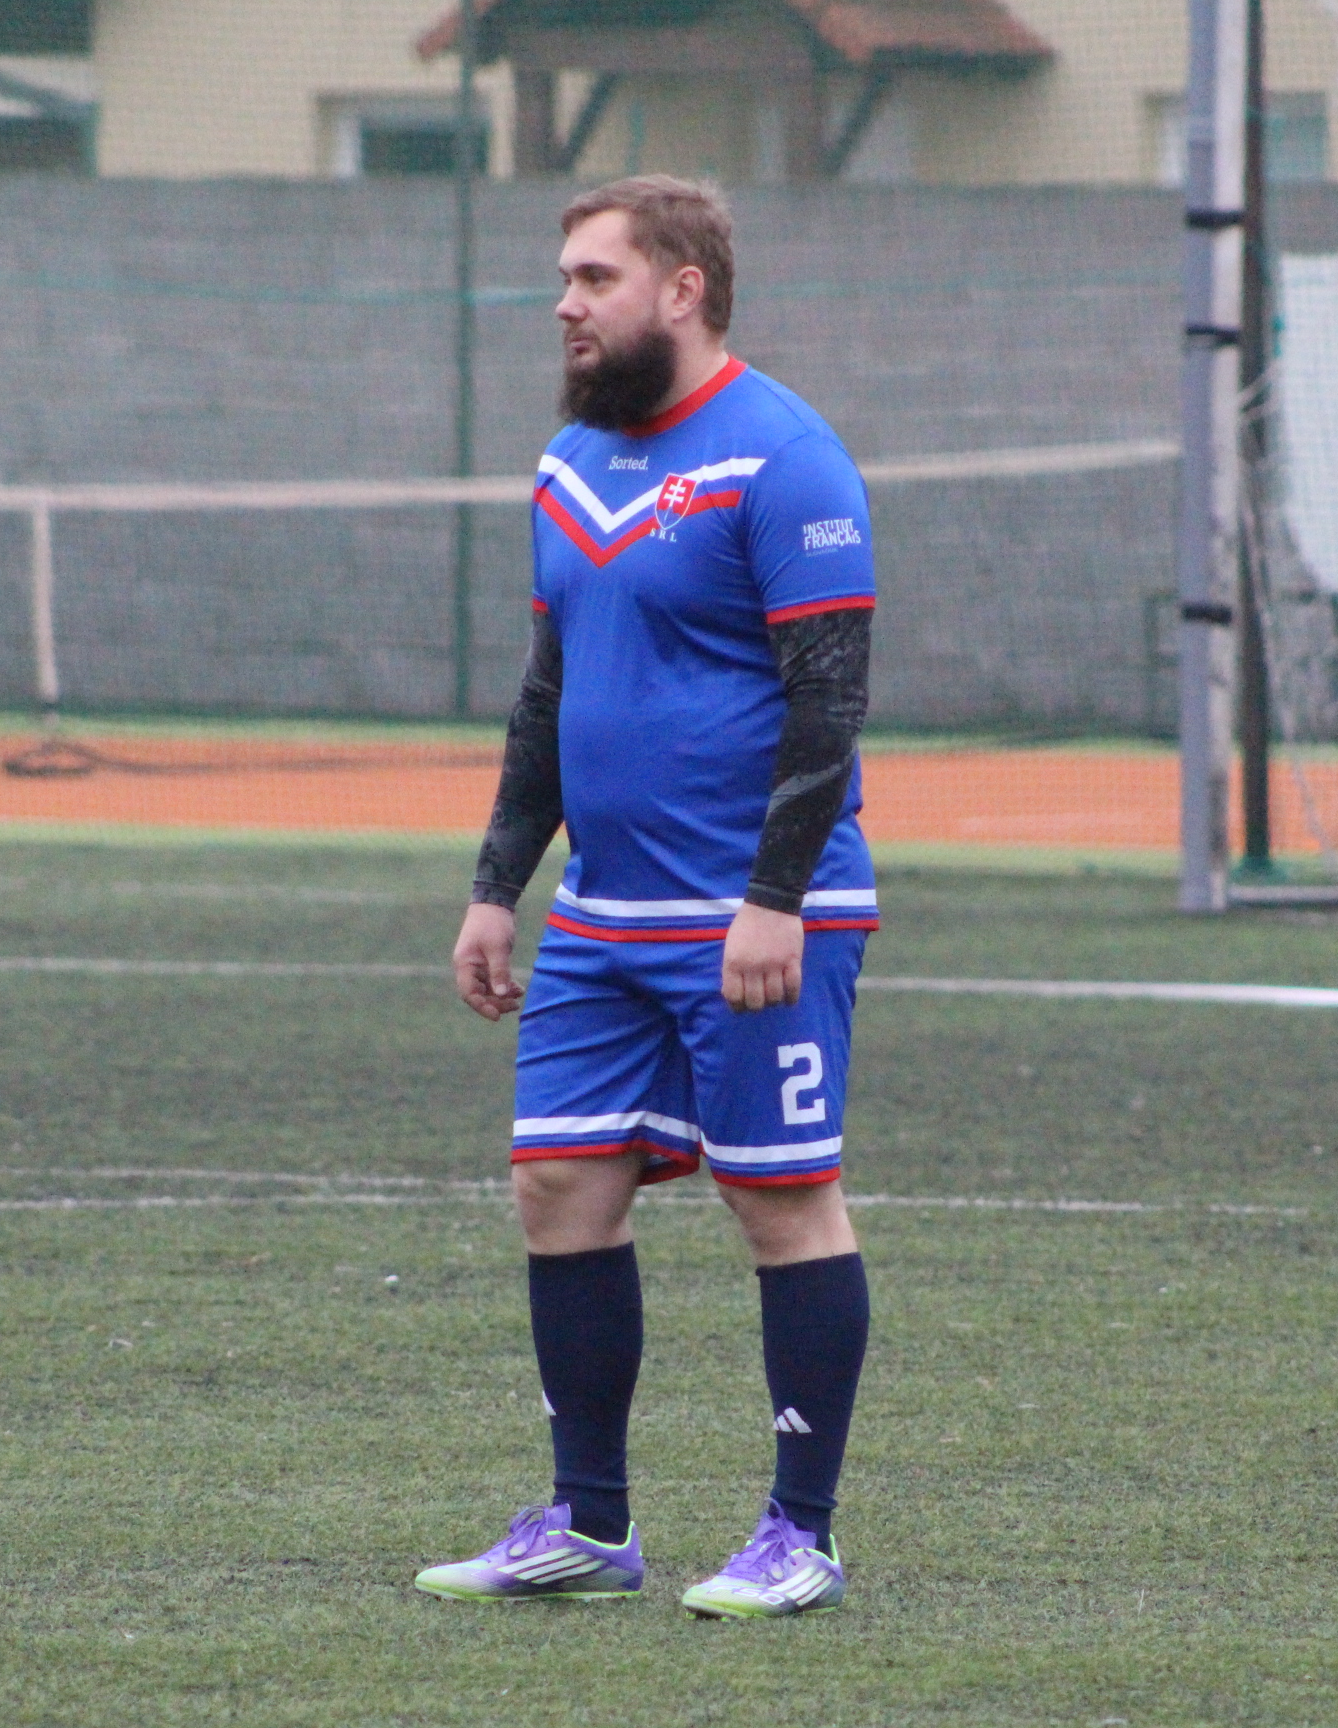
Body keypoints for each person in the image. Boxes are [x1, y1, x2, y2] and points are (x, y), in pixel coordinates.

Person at [413, 176, 877, 1620]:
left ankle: (801, 1534)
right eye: (564, 276)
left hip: (756, 917)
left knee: (781, 1201)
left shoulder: (785, 458)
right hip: (600, 917)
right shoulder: (569, 466)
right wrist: (499, 885)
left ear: (683, 289)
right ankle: (589, 1525)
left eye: (594, 277)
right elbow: (548, 694)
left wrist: (776, 897)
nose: (564, 303)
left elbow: (830, 699)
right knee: (558, 1187)